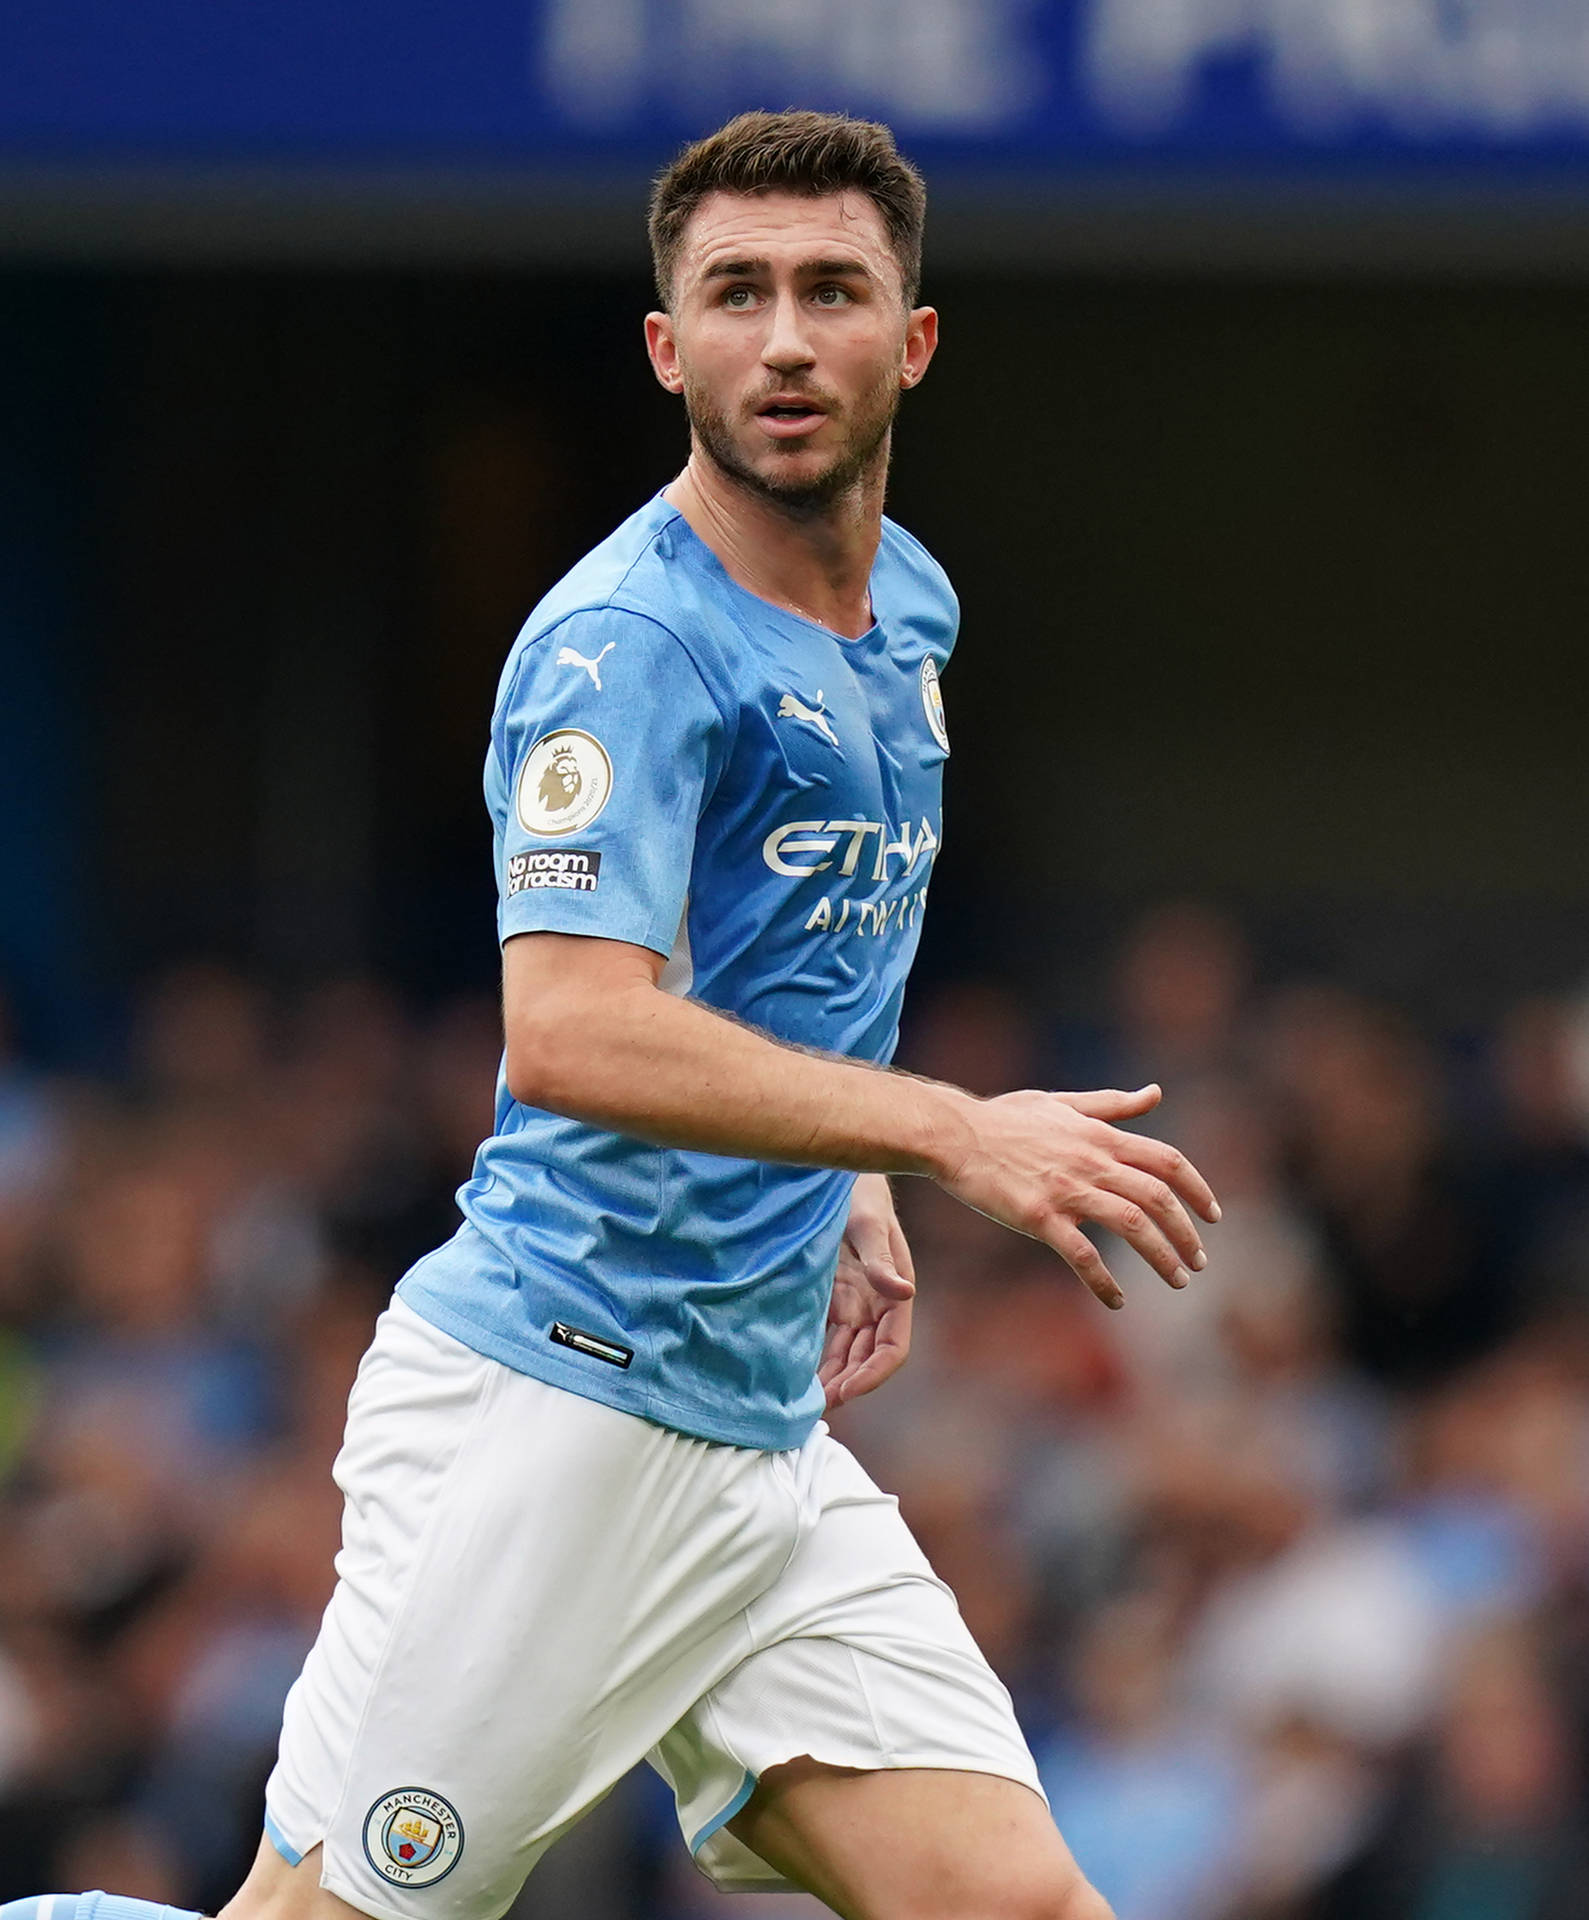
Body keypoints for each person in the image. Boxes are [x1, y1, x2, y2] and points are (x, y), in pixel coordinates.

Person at [4, 110, 1217, 1920]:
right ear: (669, 349)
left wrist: (848, 1184)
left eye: (832, 290)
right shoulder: (626, 651)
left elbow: (805, 938)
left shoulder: (911, 612)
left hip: (755, 1448)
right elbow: (572, 1033)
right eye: (736, 294)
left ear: (915, 340)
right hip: (562, 1415)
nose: (786, 339)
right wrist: (947, 1133)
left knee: (1016, 1904)